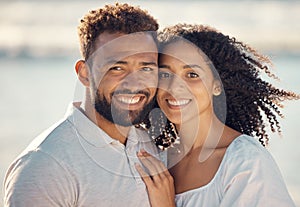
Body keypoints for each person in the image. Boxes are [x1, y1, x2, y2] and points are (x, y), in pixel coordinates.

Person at [4, 3, 163, 206]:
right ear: (85, 73)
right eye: (116, 68)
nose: (133, 83)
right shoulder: (44, 166)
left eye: (146, 69)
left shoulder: (154, 144)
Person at [135, 24, 299, 206]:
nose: (174, 87)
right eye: (165, 75)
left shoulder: (245, 161)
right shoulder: (156, 158)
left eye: (192, 74)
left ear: (217, 85)